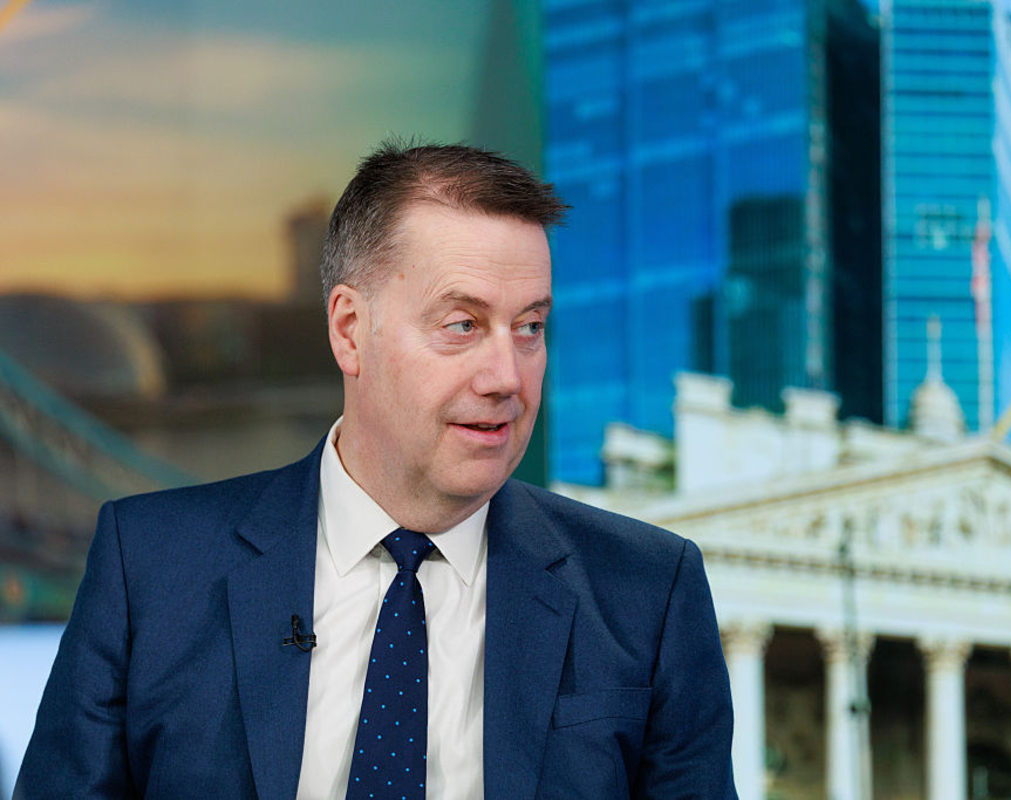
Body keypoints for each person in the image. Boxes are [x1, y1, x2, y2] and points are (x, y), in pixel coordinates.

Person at [16, 142, 736, 799]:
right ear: (350, 331)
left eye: (530, 328)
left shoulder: (648, 593)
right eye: (462, 324)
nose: (506, 376)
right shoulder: (149, 566)